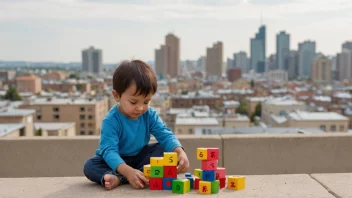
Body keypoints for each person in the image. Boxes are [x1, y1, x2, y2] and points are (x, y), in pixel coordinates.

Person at [83, 60, 189, 190]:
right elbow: (109, 151)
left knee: (165, 149)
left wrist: (179, 152)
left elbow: (165, 135)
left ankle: (124, 178)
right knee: (90, 166)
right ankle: (125, 176)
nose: (140, 108)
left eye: (146, 102)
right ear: (117, 96)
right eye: (133, 102)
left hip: (140, 157)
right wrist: (127, 171)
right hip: (115, 160)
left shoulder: (149, 114)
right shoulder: (111, 121)